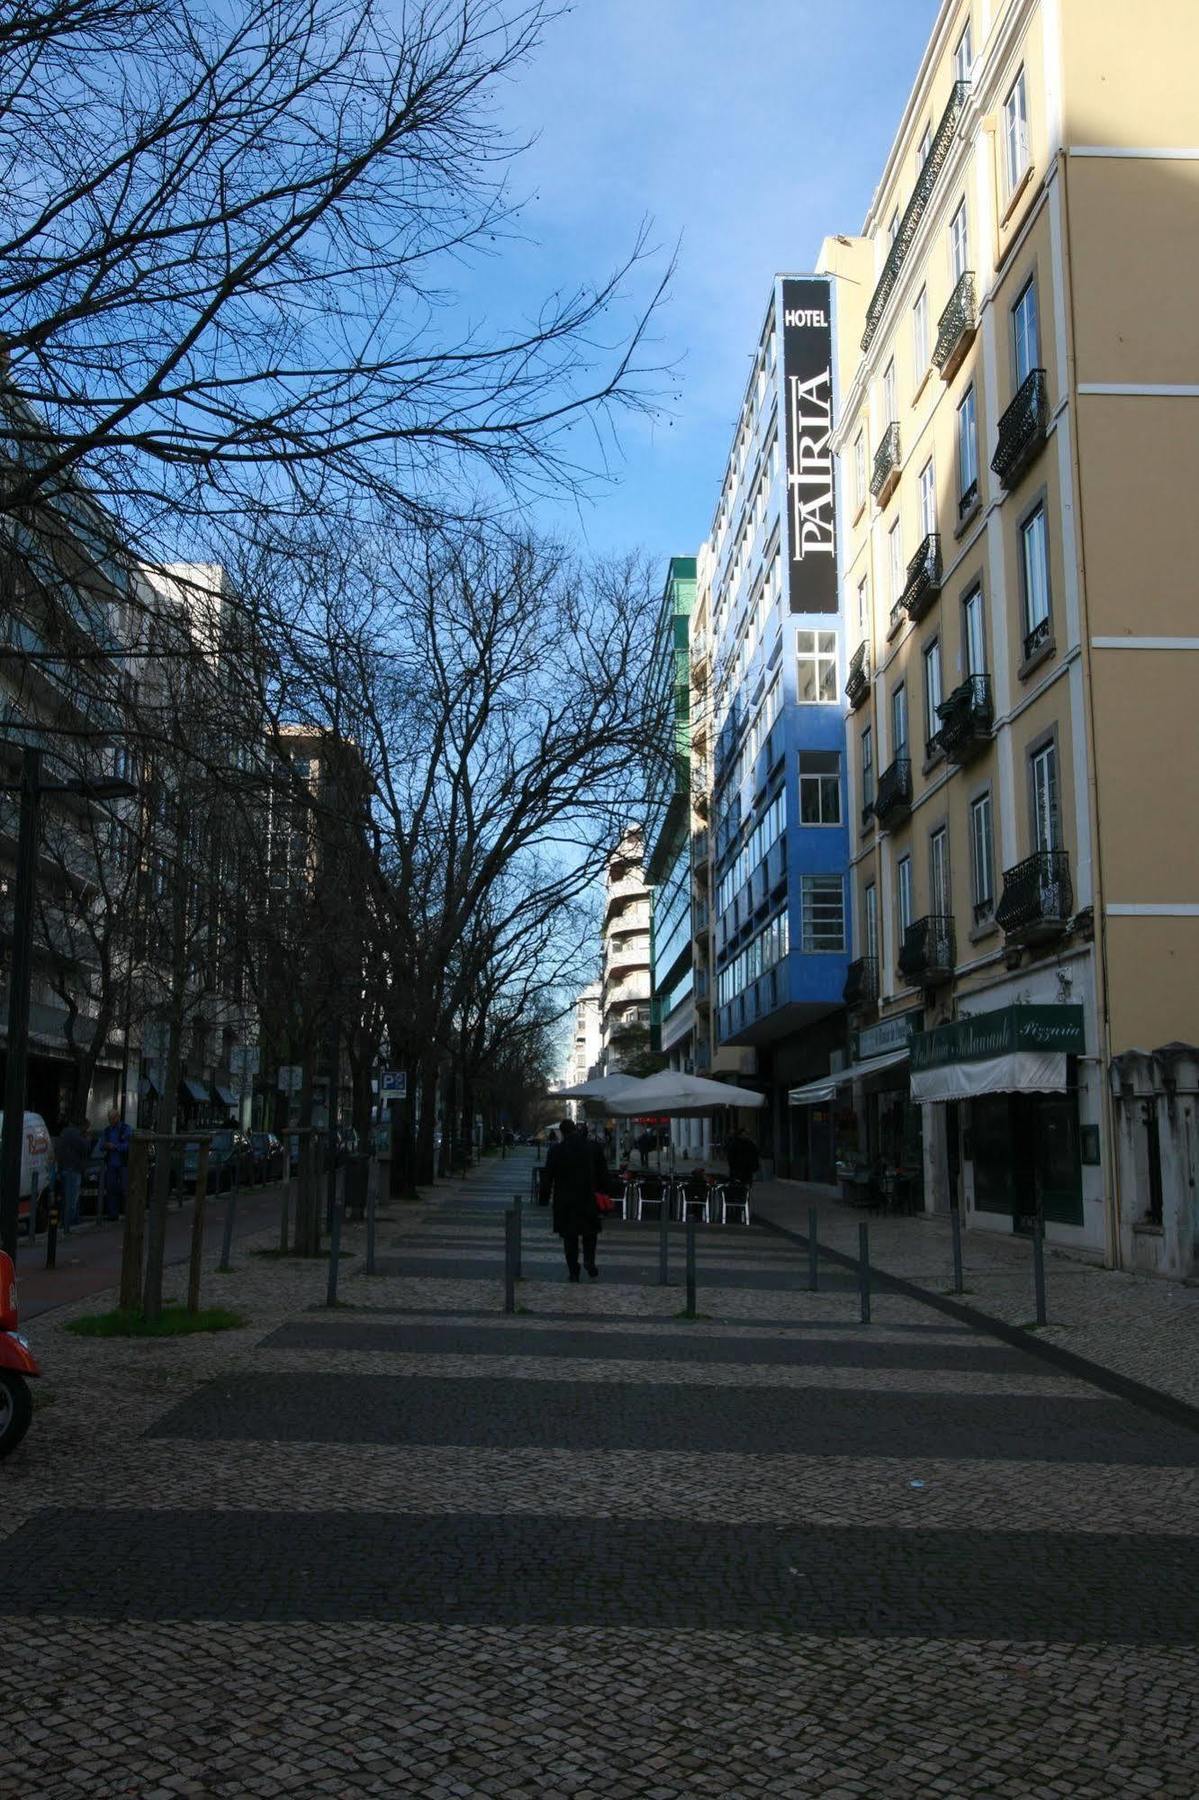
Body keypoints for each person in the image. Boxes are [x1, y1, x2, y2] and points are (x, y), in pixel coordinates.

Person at [543, 1116, 612, 1281]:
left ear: (562, 1132)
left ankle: (573, 1271)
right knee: (590, 1234)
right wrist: (605, 1192)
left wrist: (544, 1198)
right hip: (588, 1197)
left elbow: (547, 1176)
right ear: (575, 1129)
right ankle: (589, 1260)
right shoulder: (592, 1147)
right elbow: (603, 1173)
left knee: (569, 1237)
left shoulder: (556, 1150)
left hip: (565, 1200)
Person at [54, 1116, 91, 1233]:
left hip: (64, 1167)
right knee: (72, 1196)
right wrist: (87, 1139)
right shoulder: (77, 1135)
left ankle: (69, 1220)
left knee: (66, 1196)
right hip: (74, 1168)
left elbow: (58, 1150)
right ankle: (69, 1223)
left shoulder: (64, 1133)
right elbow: (86, 1148)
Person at [99, 1107, 133, 1221]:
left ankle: (128, 1213)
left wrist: (115, 1146)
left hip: (123, 1164)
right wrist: (106, 1146)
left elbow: (128, 1145)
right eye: (109, 1119)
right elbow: (101, 1145)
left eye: (112, 1118)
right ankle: (113, 1214)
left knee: (125, 1189)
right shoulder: (107, 1130)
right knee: (111, 1189)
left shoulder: (126, 1129)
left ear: (118, 1117)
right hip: (111, 1164)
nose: (111, 1121)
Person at [725, 1124, 760, 1188]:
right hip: (737, 1170)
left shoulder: (750, 1144)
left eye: (747, 1134)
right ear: (740, 1134)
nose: (747, 1135)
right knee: (737, 1186)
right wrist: (733, 1166)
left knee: (746, 1187)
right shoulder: (735, 1143)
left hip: (747, 1170)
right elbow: (730, 1156)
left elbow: (755, 1155)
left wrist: (754, 1166)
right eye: (745, 1134)